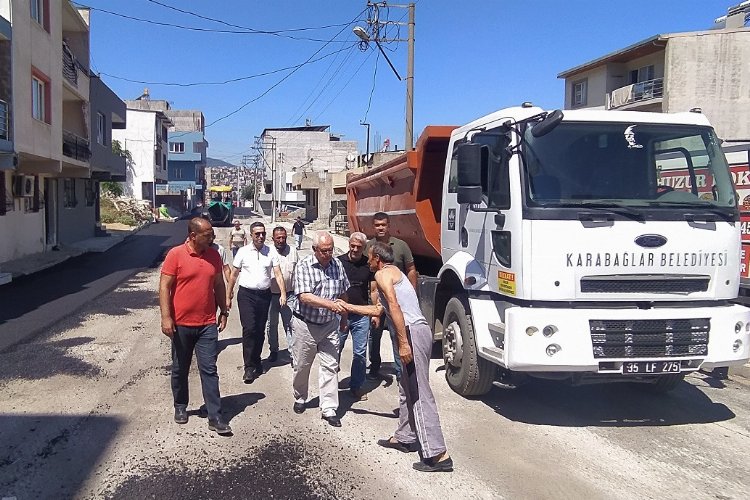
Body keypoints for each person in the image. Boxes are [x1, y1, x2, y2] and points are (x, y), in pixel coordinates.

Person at [337, 241, 452, 472]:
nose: (367, 261)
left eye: (370, 258)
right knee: (407, 388)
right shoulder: (393, 272)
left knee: (418, 390)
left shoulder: (381, 275)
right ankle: (405, 437)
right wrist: (346, 307)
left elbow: (395, 308)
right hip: (417, 330)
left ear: (377, 259)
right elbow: (380, 310)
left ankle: (438, 454)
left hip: (410, 332)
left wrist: (402, 343)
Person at [158, 217, 232, 435]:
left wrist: (224, 311)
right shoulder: (175, 255)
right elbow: (164, 287)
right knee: (180, 368)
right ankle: (180, 406)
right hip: (181, 324)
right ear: (193, 236)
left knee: (209, 369)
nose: (212, 237)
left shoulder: (214, 255)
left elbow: (218, 284)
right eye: (207, 234)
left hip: (207, 324)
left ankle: (215, 416)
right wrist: (166, 317)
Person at [291, 231, 350, 427]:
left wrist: (344, 317)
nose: (328, 254)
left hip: (330, 325)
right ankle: (300, 397)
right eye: (324, 251)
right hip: (306, 324)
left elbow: (343, 292)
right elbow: (304, 297)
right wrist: (329, 305)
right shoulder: (304, 266)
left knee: (331, 365)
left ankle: (329, 408)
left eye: (331, 250)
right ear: (315, 249)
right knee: (302, 365)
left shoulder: (337, 265)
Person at [227, 222, 286, 384]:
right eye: (257, 234)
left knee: (260, 330)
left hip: (264, 295)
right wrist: (228, 294)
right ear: (251, 235)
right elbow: (233, 274)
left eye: (263, 234)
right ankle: (248, 366)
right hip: (246, 295)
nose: (260, 236)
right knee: (249, 328)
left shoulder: (271, 252)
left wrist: (282, 293)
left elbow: (278, 274)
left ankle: (257, 359)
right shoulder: (243, 252)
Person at [366, 212, 418, 380]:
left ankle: (400, 371)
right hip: (377, 300)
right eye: (377, 225)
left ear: (389, 225)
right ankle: (374, 367)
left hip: (398, 302)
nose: (380, 228)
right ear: (373, 227)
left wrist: (413, 295)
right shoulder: (369, 247)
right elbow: (368, 276)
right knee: (374, 335)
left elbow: (410, 270)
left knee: (398, 335)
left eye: (383, 224)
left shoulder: (401, 246)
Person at [337, 232, 373, 401]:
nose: (355, 249)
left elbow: (373, 289)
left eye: (359, 247)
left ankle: (356, 386)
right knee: (335, 348)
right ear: (349, 244)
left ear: (364, 248)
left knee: (360, 352)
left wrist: (374, 312)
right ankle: (330, 382)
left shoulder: (368, 264)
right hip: (341, 312)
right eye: (353, 245)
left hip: (361, 313)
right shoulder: (338, 262)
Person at [266, 226, 298, 365]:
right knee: (272, 325)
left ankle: (292, 354)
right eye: (278, 237)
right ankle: (274, 350)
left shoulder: (293, 251)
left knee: (291, 325)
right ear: (273, 238)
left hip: (290, 295)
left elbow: (298, 272)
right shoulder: (267, 252)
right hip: (271, 296)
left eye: (283, 237)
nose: (281, 240)